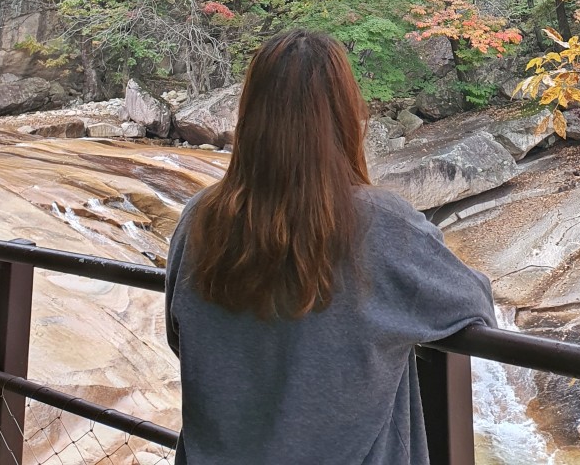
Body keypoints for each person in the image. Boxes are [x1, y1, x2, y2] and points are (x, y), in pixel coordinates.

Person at [165, 28, 496, 464]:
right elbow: (473, 305)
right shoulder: (381, 224)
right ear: (344, 115)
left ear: (249, 116)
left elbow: (179, 334)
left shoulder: (198, 219)